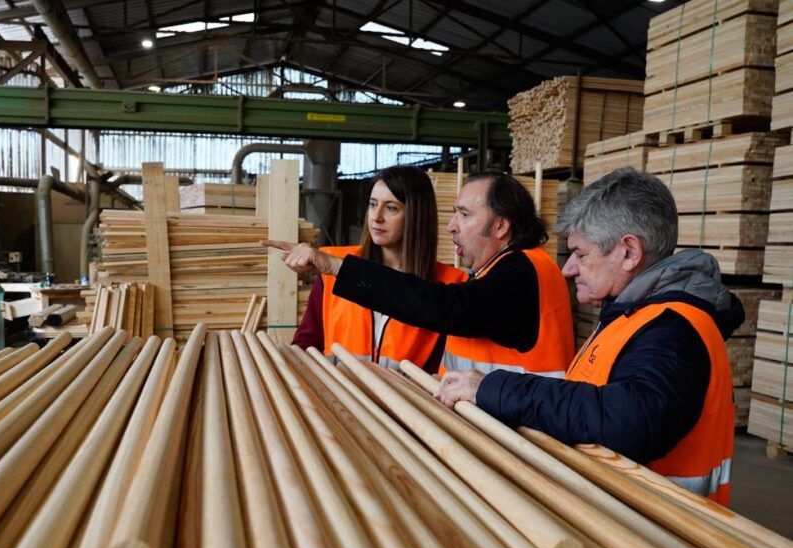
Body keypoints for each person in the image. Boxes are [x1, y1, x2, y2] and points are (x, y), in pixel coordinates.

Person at [437, 167, 742, 505]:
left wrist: (495, 389)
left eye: (581, 254)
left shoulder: (673, 330)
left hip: (660, 537)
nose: (568, 270)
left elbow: (631, 419)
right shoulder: (634, 314)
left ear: (629, 252)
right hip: (623, 524)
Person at [265, 170, 574, 379]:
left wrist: (335, 267)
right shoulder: (508, 268)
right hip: (349, 407)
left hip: (511, 433)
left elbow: (444, 307)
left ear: (500, 227)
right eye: (372, 204)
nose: (452, 225)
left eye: (464, 215)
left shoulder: (518, 271)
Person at [292, 165, 466, 372]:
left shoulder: (449, 286)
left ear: (416, 215)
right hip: (337, 401)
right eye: (373, 205)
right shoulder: (333, 268)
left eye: (391, 208)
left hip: (407, 403)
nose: (376, 217)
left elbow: (442, 372)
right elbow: (305, 346)